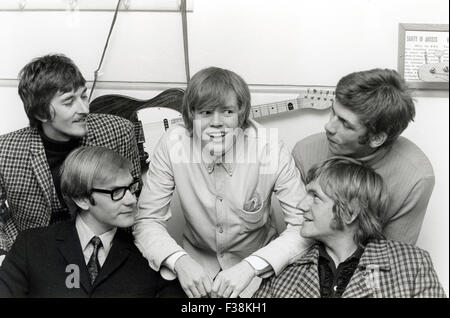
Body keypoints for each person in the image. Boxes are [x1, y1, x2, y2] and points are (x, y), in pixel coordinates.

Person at [133, 67, 308, 298]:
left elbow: (304, 226)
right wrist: (179, 261)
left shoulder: (269, 146)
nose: (217, 123)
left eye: (227, 111)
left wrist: (252, 266)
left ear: (241, 114)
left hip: (257, 271)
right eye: (205, 112)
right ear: (190, 115)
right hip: (194, 269)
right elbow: (147, 220)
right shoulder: (173, 143)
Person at [0, 54, 141, 263]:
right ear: (41, 113)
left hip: (105, 252)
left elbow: (134, 193)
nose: (85, 109)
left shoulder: (119, 132)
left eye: (83, 96)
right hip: (38, 258)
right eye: (69, 102)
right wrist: (9, 251)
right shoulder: (6, 150)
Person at [0, 146, 181, 297]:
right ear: (82, 199)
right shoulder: (30, 246)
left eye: (131, 188)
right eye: (116, 192)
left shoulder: (150, 252)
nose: (132, 200)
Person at [254, 157, 446, 298]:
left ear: (350, 212)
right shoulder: (285, 267)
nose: (301, 205)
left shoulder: (412, 264)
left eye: (316, 197)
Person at [292, 68, 434, 244]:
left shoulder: (416, 178)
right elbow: (296, 235)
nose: (329, 126)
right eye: (333, 112)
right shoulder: (305, 152)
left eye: (345, 124)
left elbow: (394, 257)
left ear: (376, 138)